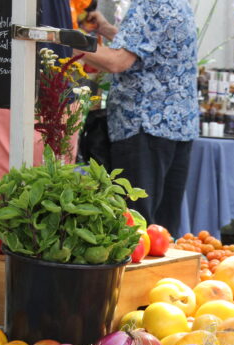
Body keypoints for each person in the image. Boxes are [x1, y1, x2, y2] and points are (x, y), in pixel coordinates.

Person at [78, 1, 199, 236]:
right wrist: (106, 29)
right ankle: (161, 274)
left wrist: (62, 40)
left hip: (144, 127)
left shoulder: (149, 3)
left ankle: (136, 274)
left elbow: (116, 62)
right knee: (161, 231)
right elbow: (149, 46)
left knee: (135, 226)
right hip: (176, 126)